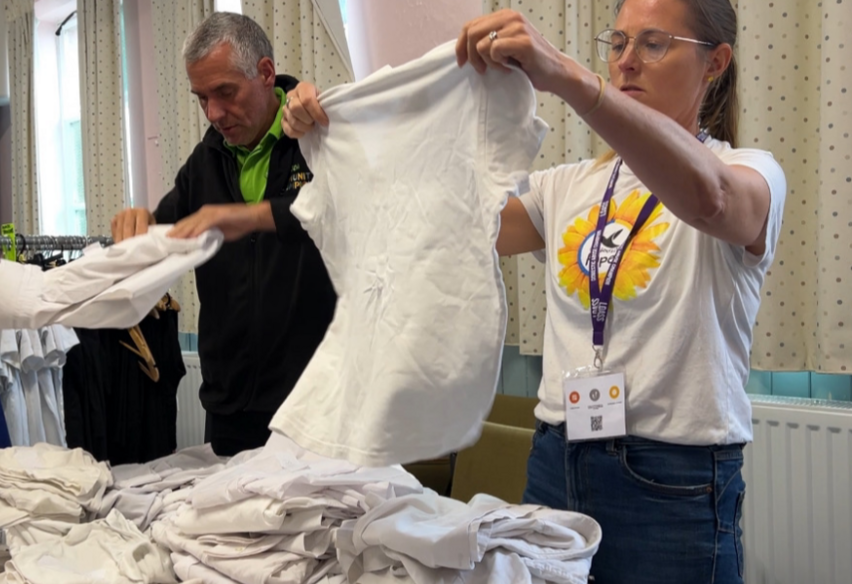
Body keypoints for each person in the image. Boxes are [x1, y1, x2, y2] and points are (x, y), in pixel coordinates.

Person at [283, 0, 785, 582]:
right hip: (557, 456)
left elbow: (713, 200)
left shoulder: (752, 171)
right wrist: (343, 133)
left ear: (714, 62)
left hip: (670, 479)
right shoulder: (572, 185)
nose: (625, 63)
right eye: (617, 44)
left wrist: (568, 76)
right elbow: (438, 221)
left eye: (653, 44)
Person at [110, 12, 336, 457]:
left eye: (225, 93)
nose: (213, 113)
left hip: (317, 404)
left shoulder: (319, 138)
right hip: (231, 408)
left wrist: (245, 216)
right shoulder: (204, 162)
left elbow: (339, 214)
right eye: (201, 98)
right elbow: (163, 235)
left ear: (266, 73)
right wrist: (139, 227)